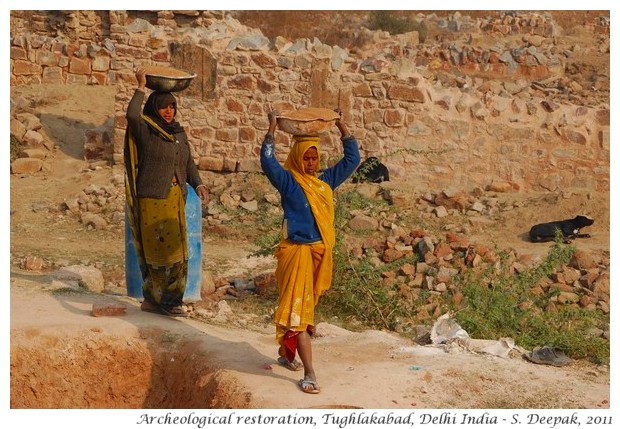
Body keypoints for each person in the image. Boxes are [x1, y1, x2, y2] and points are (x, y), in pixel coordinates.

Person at [260, 108, 360, 394]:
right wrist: (271, 129)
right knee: (300, 314)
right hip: (295, 255)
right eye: (306, 157)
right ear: (297, 157)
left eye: (314, 157)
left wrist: (342, 125)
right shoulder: (289, 182)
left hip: (318, 256)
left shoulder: (324, 182)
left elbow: (353, 160)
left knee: (298, 309)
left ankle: (285, 352)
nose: (311, 163)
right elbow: (268, 162)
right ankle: (310, 373)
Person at [124, 67, 209, 318]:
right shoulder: (146, 130)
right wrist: (140, 86)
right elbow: (131, 115)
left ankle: (171, 300)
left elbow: (188, 162)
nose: (169, 111)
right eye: (163, 107)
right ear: (154, 109)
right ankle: (154, 300)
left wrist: (199, 184)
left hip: (175, 199)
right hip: (152, 199)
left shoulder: (178, 133)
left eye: (172, 106)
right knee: (157, 254)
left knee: (178, 253)